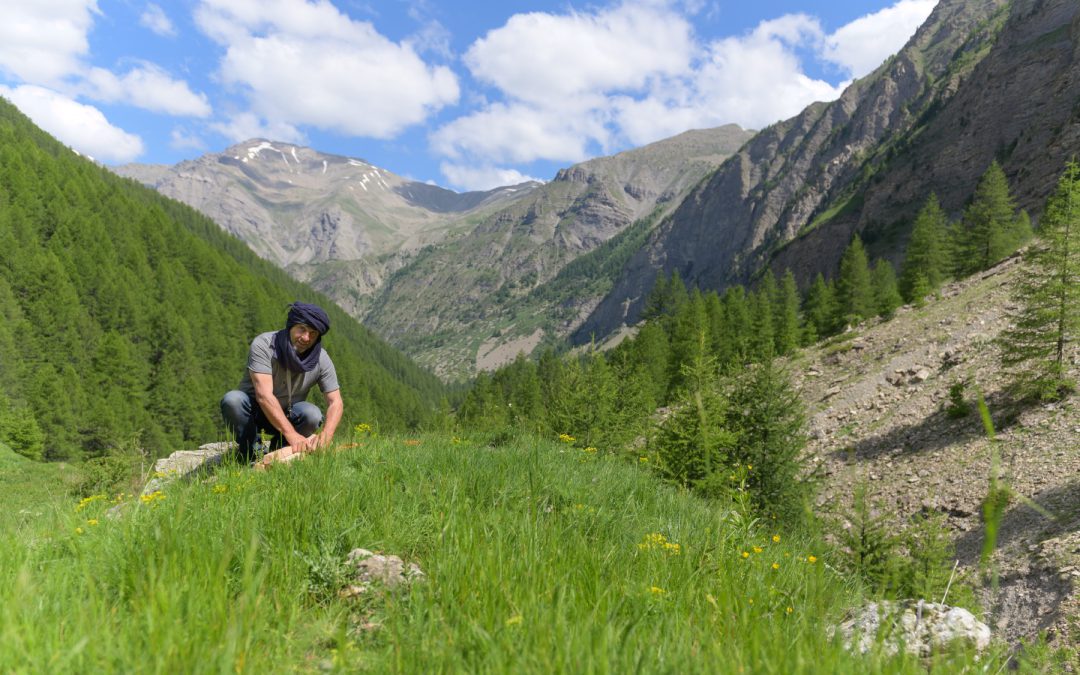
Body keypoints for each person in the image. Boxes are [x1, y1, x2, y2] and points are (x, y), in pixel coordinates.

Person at [220, 301, 344, 464]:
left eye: (313, 333)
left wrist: (326, 435)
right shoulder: (264, 345)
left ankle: (280, 450)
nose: (306, 338)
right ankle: (251, 452)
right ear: (291, 326)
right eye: (302, 329)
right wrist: (292, 434)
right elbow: (264, 396)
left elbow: (336, 402)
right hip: (254, 413)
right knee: (233, 400)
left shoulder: (321, 358)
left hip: (288, 412)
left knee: (312, 414)